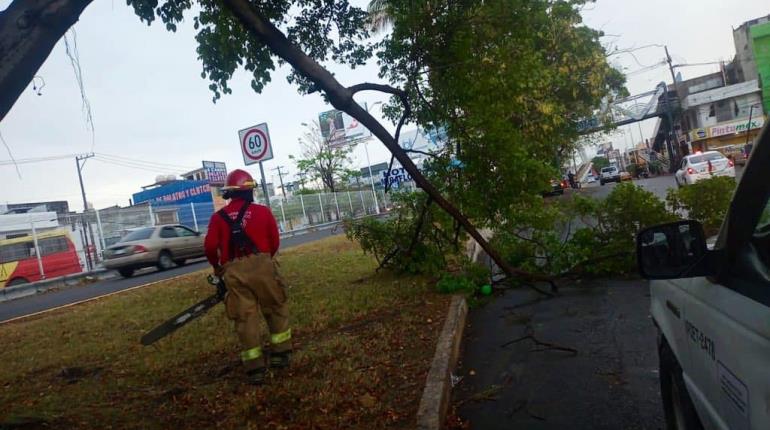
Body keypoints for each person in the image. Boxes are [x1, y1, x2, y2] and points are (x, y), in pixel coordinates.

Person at [204, 169, 291, 385]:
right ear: (250, 191)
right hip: (263, 266)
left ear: (229, 193)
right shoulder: (263, 212)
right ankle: (280, 354)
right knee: (275, 307)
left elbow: (209, 246)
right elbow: (274, 241)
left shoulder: (217, 218)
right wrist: (265, 261)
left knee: (245, 318)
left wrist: (217, 267)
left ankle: (255, 368)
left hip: (234, 271)